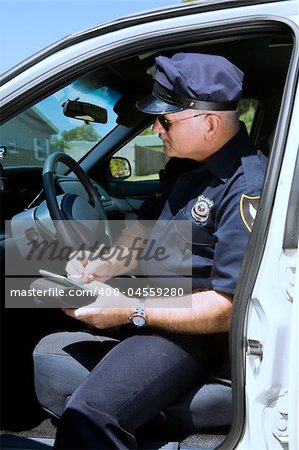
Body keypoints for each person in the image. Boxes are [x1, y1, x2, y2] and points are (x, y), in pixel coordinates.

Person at [33, 52, 267, 449]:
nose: (156, 129)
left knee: (89, 415)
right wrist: (105, 265)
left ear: (209, 122)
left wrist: (131, 309)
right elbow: (146, 230)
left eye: (165, 120)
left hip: (193, 333)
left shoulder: (246, 185)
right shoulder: (185, 162)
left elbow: (229, 308)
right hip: (154, 308)